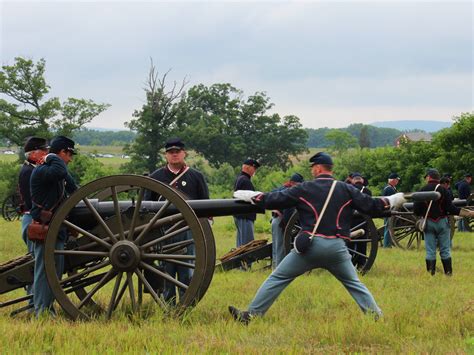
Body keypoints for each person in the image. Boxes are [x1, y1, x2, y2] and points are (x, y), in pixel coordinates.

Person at [229, 152, 407, 324]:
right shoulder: (346, 189)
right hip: (337, 247)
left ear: (319, 169)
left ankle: (251, 315)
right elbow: (372, 206)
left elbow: (274, 200)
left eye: (314, 167)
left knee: (277, 278)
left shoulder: (304, 188)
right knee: (355, 284)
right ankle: (376, 317)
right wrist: (390, 200)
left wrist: (252, 196)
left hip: (309, 247)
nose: (312, 170)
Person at [145, 138, 209, 303]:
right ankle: (168, 303)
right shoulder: (156, 177)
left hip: (187, 229)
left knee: (186, 269)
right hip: (163, 230)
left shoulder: (196, 176)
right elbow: (146, 205)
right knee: (166, 269)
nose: (174, 155)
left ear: (184, 153)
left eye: (177, 152)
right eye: (171, 152)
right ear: (166, 155)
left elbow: (205, 204)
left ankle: (186, 301)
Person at [30, 136, 77, 316]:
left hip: (57, 230)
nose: (70, 159)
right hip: (44, 229)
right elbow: (59, 171)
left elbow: (73, 187)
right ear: (62, 152)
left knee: (55, 273)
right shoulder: (43, 170)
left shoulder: (57, 172)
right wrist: (51, 156)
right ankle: (41, 311)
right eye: (68, 154)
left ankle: (48, 308)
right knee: (44, 272)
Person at [413, 169, 474, 276]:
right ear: (438, 178)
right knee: (445, 250)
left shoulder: (422, 190)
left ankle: (431, 274)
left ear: (429, 177)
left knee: (430, 250)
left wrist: (424, 214)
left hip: (428, 222)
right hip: (442, 222)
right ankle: (448, 273)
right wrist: (468, 213)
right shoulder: (444, 190)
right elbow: (451, 208)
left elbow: (416, 210)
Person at [17, 136, 49, 307]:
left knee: (35, 263)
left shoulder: (32, 169)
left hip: (32, 219)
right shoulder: (29, 172)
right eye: (44, 151)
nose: (46, 154)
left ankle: (34, 302)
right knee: (35, 266)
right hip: (33, 221)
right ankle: (33, 304)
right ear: (34, 154)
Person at [270, 173, 304, 269]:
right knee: (280, 248)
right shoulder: (290, 192)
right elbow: (288, 211)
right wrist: (286, 226)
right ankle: (279, 269)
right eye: (298, 185)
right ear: (293, 183)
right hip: (281, 221)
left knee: (276, 247)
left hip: (275, 219)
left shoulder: (282, 189)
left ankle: (275, 268)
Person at [233, 158, 261, 248]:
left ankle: (240, 261)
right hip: (245, 215)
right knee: (247, 245)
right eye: (254, 168)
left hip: (240, 215)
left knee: (241, 244)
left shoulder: (241, 178)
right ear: (248, 168)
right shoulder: (245, 181)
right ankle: (247, 262)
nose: (254, 171)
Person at [347, 172, 372, 270]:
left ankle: (349, 264)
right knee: (362, 244)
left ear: (353, 180)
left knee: (349, 244)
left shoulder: (348, 190)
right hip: (363, 221)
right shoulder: (367, 191)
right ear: (361, 180)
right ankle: (361, 264)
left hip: (350, 221)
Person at [382, 173, 400, 248]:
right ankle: (386, 245)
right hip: (388, 210)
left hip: (389, 210)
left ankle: (389, 243)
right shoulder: (389, 189)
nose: (397, 181)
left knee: (389, 227)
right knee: (388, 227)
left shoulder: (392, 188)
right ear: (393, 180)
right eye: (397, 179)